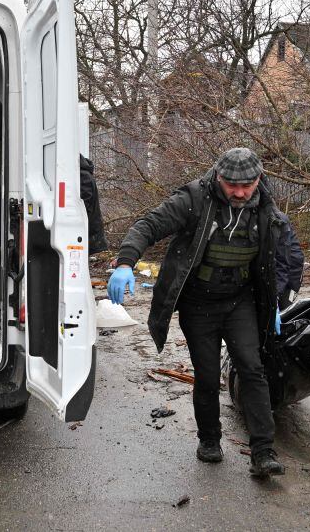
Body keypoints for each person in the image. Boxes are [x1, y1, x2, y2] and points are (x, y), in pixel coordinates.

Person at [108, 147, 298, 478]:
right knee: (207, 374)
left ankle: (263, 451)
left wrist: (278, 301)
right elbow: (150, 225)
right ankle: (209, 439)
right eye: (231, 185)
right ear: (218, 177)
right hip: (199, 302)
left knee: (252, 369)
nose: (239, 193)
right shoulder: (194, 198)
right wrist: (125, 262)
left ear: (258, 180)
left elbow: (284, 258)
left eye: (247, 185)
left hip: (240, 300)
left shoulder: (267, 209)